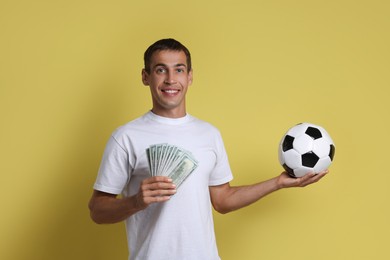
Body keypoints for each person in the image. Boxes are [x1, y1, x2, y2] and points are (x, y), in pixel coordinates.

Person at [88, 38, 328, 260]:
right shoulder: (126, 137)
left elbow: (223, 201)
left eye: (179, 69)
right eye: (161, 70)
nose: (171, 79)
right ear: (145, 76)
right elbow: (97, 211)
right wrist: (136, 202)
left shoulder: (209, 134)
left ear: (190, 77)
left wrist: (277, 183)